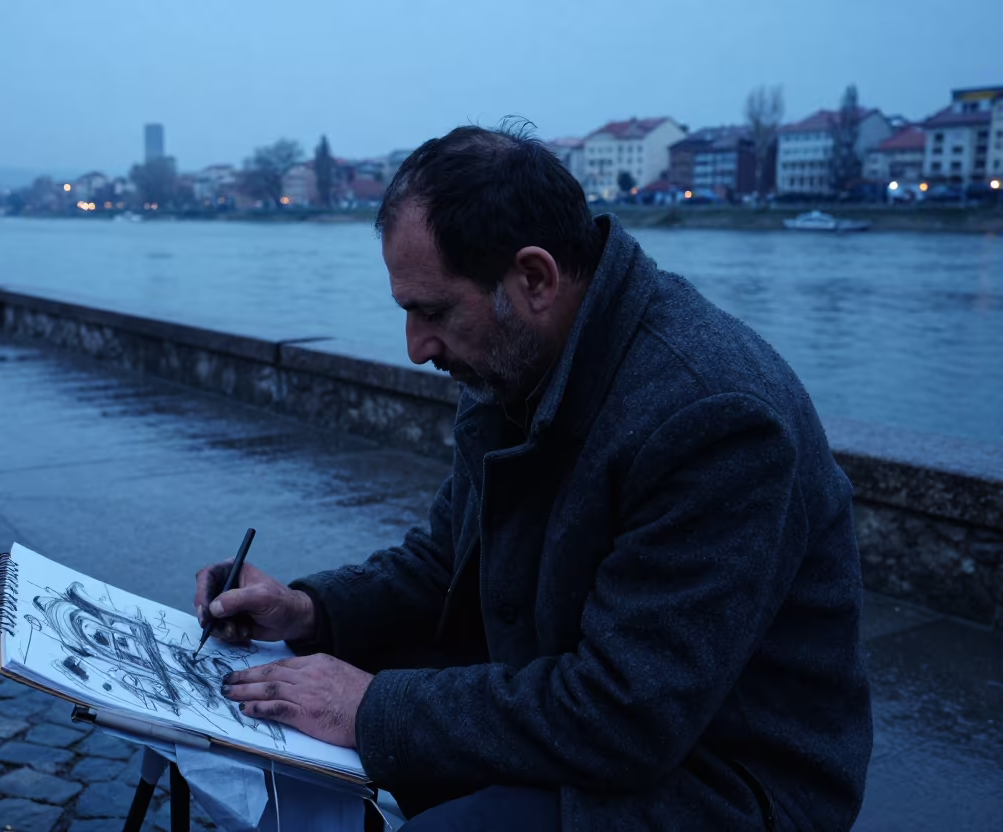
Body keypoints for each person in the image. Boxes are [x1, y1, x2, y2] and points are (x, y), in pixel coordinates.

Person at [194, 123, 872, 830]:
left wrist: (369, 707)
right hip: (587, 701)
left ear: (535, 279)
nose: (417, 348)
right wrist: (307, 612)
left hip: (727, 777)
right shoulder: (514, 359)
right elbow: (443, 563)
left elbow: (626, 713)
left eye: (432, 312)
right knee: (285, 729)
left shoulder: (712, 415)